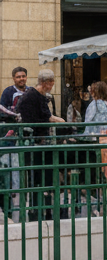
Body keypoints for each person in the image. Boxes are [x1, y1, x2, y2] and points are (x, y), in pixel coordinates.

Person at [16, 69, 65, 219]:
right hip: (35, 144)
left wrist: (58, 120)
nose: (52, 86)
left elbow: (46, 116)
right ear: (45, 83)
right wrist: (59, 121)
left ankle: (44, 208)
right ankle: (39, 209)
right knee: (39, 178)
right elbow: (40, 119)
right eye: (51, 83)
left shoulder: (39, 96)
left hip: (40, 143)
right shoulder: (33, 96)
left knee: (44, 177)